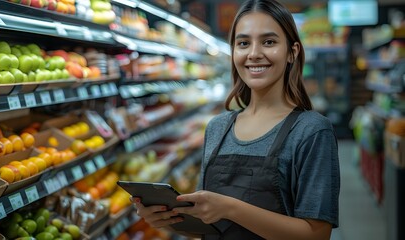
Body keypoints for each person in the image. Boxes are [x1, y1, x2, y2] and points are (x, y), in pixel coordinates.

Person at [132, 0, 340, 239]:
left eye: (269, 42)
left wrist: (230, 209)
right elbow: (208, 222)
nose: (254, 54)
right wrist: (167, 219)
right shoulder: (217, 128)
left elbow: (317, 234)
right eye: (243, 43)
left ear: (292, 52)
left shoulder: (311, 131)